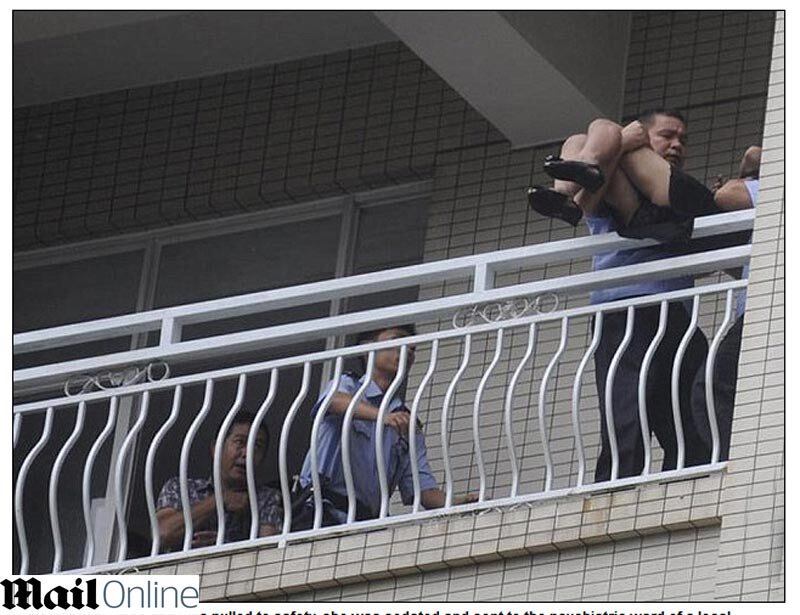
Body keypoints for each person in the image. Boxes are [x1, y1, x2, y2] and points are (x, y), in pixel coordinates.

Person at [529, 109, 714, 482]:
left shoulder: (668, 185)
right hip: (624, 309)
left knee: (690, 409)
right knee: (627, 412)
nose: (677, 144)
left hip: (672, 310)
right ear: (644, 138)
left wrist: (622, 141)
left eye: (683, 139)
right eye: (667, 135)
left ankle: (563, 192)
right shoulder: (613, 180)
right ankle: (618, 492)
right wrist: (619, 144)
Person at [297, 324, 475, 525]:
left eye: (412, 348)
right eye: (397, 341)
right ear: (367, 349)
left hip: (365, 524)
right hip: (322, 513)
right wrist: (382, 416)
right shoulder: (349, 385)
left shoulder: (405, 421)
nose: (407, 350)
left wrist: (457, 502)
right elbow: (333, 401)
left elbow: (422, 488)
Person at [690, 146, 761, 462]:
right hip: (759, 309)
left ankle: (739, 464)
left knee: (713, 384)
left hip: (762, 313)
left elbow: (727, 196)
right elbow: (735, 268)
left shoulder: (781, 185)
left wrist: (747, 172)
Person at [155, 412, 282, 550]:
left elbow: (269, 553)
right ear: (216, 448)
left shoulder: (266, 498)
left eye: (257, 446)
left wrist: (224, 546)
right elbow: (162, 534)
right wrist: (220, 499)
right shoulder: (181, 487)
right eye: (240, 442)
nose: (247, 453)